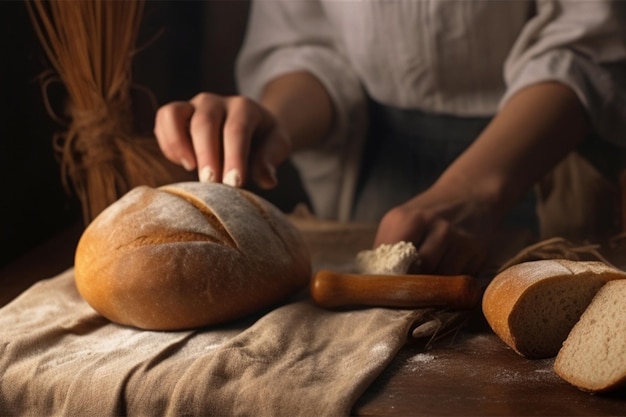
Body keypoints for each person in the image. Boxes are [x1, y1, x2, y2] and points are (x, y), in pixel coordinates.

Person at [154, 0, 626, 275]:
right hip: (374, 164)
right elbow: (306, 41)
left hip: (536, 160)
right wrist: (274, 120)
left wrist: (473, 191)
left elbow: (587, 43)